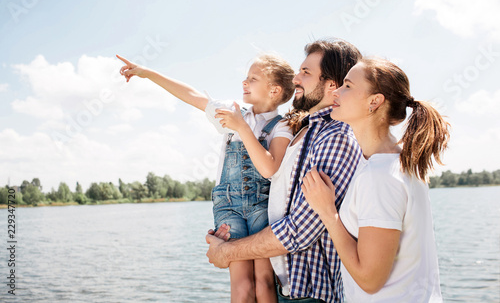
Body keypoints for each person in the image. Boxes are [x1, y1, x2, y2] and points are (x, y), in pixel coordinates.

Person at [116, 53, 295, 303]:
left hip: (261, 207)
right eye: (245, 77)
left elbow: (269, 169)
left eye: (253, 79)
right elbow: (194, 97)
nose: (244, 82)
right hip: (229, 205)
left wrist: (241, 127)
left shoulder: (282, 126)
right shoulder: (234, 111)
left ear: (274, 90)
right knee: (242, 285)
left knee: (264, 283)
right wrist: (147, 73)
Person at [206, 39, 363, 303]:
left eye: (306, 72)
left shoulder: (335, 137)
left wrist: (229, 251)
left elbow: (299, 230)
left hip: (311, 298)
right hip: (287, 292)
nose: (296, 78)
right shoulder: (305, 132)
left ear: (331, 85)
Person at [301, 58, 450, 302]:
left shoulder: (380, 177)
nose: (336, 91)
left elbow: (369, 280)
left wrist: (328, 213)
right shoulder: (398, 164)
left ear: (374, 102)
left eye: (347, 86)